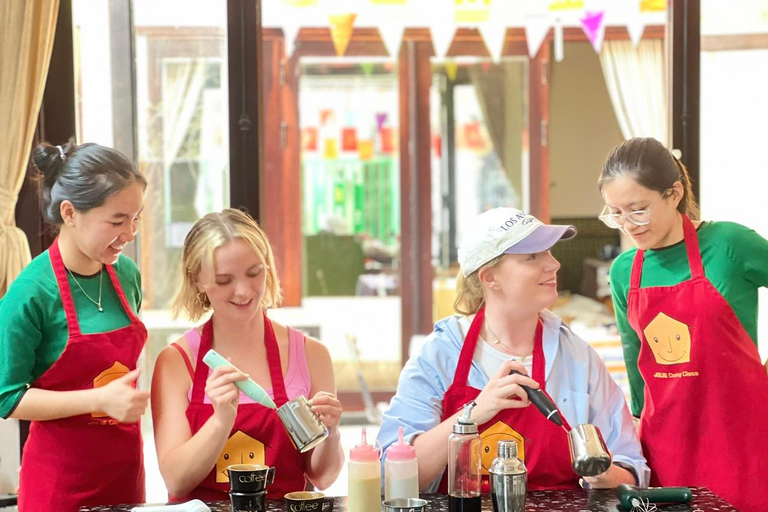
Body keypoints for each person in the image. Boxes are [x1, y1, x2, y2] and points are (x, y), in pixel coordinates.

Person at [377, 207, 648, 492]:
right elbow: (392, 480)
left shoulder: (577, 357)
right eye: (532, 256)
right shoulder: (439, 355)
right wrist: (473, 414)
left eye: (549, 252)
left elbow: (633, 470)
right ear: (489, 277)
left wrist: (604, 475)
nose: (553, 264)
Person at [599, 137, 768, 512]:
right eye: (616, 214)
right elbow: (634, 362)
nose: (628, 225)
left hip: (740, 439)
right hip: (666, 445)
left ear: (673, 193)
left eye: (638, 210)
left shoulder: (729, 244)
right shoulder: (625, 271)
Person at [151, 208, 344, 501]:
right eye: (224, 280)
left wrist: (331, 433)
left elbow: (323, 477)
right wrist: (220, 421)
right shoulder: (176, 362)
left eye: (254, 273)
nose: (243, 291)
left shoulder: (311, 355)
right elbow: (176, 481)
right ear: (197, 280)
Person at [0, 141, 149, 511]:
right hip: (58, 487)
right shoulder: (30, 294)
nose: (130, 233)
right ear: (69, 212)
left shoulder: (127, 276)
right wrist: (99, 400)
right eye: (117, 220)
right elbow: (7, 397)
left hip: (125, 478)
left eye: (136, 218)